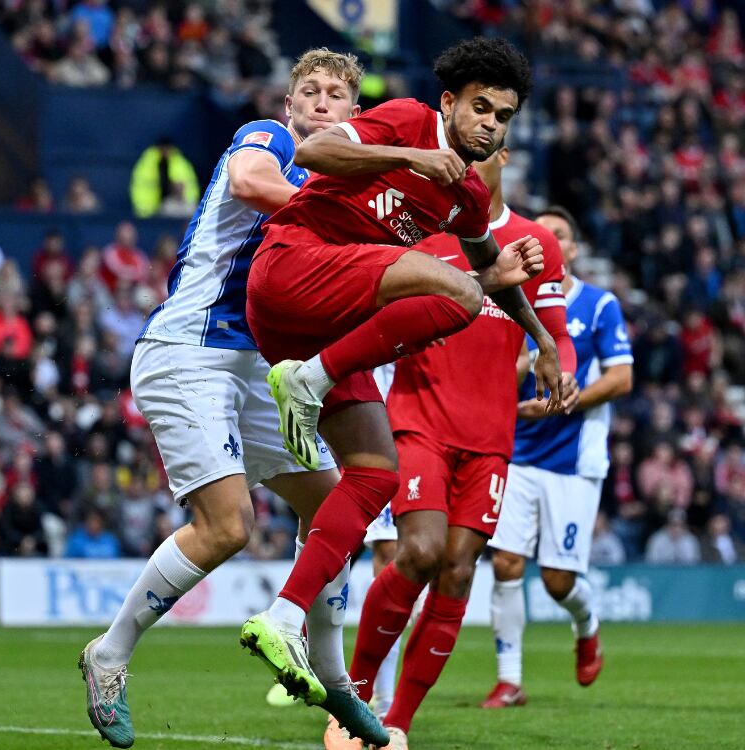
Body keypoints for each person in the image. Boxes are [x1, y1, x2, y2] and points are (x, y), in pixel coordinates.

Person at [237, 37, 563, 717]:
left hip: (320, 328)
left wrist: (540, 341)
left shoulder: (468, 200)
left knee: (374, 473)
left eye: (503, 117)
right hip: (292, 268)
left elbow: (491, 275)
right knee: (459, 296)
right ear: (449, 102)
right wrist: (410, 155)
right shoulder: (410, 119)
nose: (490, 125)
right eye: (480, 108)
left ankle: (284, 616)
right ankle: (314, 380)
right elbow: (311, 153)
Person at [79, 48, 387, 750]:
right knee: (228, 527)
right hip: (192, 350)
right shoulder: (268, 141)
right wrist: (350, 225)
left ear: (355, 116)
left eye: (334, 94)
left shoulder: (350, 187)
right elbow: (250, 183)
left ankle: (337, 686)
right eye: (306, 90)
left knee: (338, 510)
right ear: (288, 105)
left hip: (256, 365)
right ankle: (110, 654)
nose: (318, 101)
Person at [336, 145, 579, 750]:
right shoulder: (417, 235)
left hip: (491, 437)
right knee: (416, 552)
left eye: (492, 143)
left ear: (505, 158)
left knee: (458, 569)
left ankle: (398, 726)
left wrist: (564, 368)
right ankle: (354, 700)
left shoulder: (533, 243)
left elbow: (555, 331)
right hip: (420, 421)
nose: (476, 157)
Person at [484, 204, 632, 709]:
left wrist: (563, 402)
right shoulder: (506, 297)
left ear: (570, 249)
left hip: (573, 459)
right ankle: (509, 681)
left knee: (557, 580)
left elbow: (621, 378)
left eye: (560, 236)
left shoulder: (598, 305)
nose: (547, 241)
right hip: (517, 451)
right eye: (539, 233)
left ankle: (586, 624)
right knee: (505, 564)